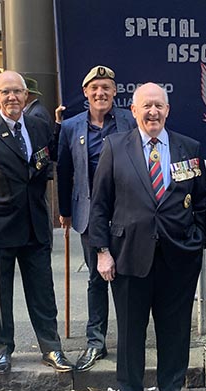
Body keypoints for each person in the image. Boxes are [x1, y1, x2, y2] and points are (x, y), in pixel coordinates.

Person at [89, 83, 206, 391]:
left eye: (158, 105)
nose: (152, 112)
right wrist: (101, 252)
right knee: (130, 329)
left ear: (167, 110)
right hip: (127, 255)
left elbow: (201, 201)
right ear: (134, 110)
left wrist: (196, 240)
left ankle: (172, 389)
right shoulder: (115, 146)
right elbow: (100, 205)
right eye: (146, 106)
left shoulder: (189, 147)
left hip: (178, 257)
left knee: (175, 328)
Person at [0, 70, 72, 374]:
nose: (12, 97)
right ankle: (2, 349)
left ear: (26, 96)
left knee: (43, 291)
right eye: (6, 92)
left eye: (18, 92)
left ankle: (51, 348)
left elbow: (46, 164)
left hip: (35, 225)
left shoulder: (39, 126)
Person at [57, 65, 136, 372]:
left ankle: (131, 339)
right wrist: (64, 210)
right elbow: (64, 171)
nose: (100, 93)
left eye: (106, 87)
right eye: (94, 88)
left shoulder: (130, 121)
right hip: (91, 215)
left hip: (127, 213)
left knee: (128, 277)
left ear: (115, 91)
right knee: (96, 279)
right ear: (86, 93)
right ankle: (95, 341)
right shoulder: (71, 126)